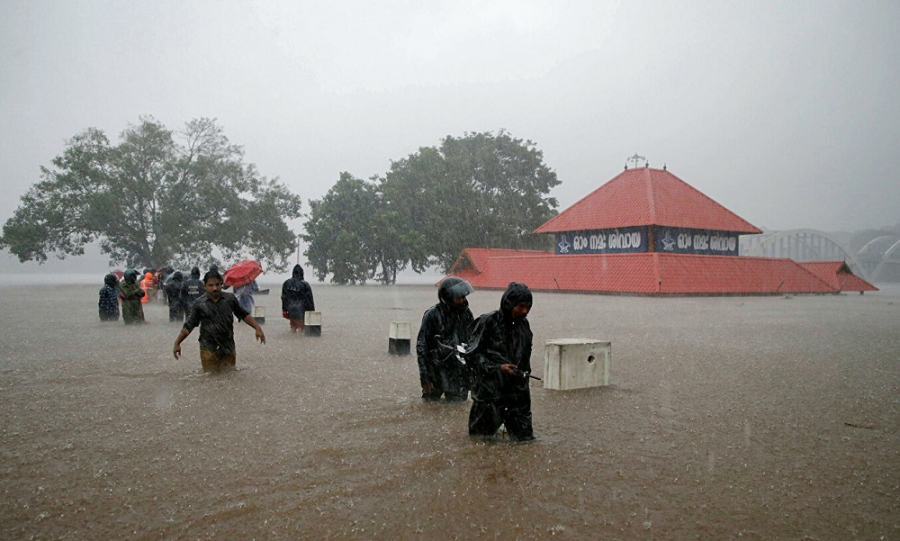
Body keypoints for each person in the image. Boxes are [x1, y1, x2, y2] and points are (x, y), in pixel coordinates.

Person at [466, 282, 535, 442]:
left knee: (525, 441)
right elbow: (472, 356)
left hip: (517, 394)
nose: (525, 311)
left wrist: (524, 376)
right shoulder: (487, 322)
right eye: (520, 306)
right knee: (480, 441)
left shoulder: (524, 325)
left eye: (528, 307)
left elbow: (525, 356)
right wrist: (497, 368)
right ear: (509, 303)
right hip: (490, 393)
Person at [173, 270, 266, 373]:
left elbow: (243, 314)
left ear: (222, 284)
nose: (215, 288)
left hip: (228, 347)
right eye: (211, 285)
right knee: (210, 378)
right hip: (208, 348)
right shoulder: (199, 304)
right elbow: (188, 326)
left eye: (217, 285)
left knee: (230, 376)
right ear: (205, 286)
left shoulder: (230, 299)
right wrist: (178, 343)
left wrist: (257, 328)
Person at [415, 277, 474, 402]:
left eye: (464, 297)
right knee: (430, 405)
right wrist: (424, 376)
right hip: (435, 370)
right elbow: (422, 346)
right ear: (447, 297)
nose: (463, 300)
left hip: (458, 371)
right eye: (459, 297)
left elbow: (472, 341)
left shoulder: (466, 313)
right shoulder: (432, 315)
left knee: (457, 406)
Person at [281, 264, 315, 333]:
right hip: (301, 309)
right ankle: (299, 341)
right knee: (300, 326)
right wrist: (312, 311)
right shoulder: (305, 285)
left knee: (293, 326)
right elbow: (309, 299)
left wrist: (284, 310)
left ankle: (291, 340)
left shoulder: (286, 283)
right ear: (302, 273)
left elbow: (284, 298)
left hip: (290, 309)